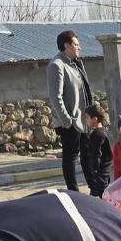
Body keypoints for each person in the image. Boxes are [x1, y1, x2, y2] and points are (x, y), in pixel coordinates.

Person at [47, 30, 94, 193]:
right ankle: (73, 191)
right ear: (66, 46)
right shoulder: (57, 65)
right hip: (70, 122)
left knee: (87, 154)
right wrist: (66, 120)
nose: (79, 47)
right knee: (71, 156)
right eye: (76, 44)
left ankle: (94, 188)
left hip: (83, 119)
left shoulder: (75, 62)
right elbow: (55, 96)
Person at [81, 104, 113, 197]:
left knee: (97, 199)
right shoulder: (104, 131)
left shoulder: (97, 135)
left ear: (94, 119)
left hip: (99, 174)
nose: (86, 120)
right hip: (105, 171)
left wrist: (93, 170)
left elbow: (96, 155)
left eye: (87, 118)